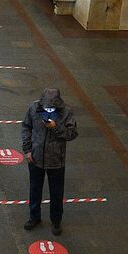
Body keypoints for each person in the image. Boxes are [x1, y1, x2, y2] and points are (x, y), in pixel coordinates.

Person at [21, 88, 78, 235]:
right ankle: (34, 217)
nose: (48, 109)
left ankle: (56, 221)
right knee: (34, 189)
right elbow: (26, 127)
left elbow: (72, 134)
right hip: (35, 158)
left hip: (56, 160)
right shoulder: (34, 108)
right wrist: (27, 150)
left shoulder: (66, 112)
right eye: (46, 106)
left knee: (56, 193)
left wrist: (56, 127)